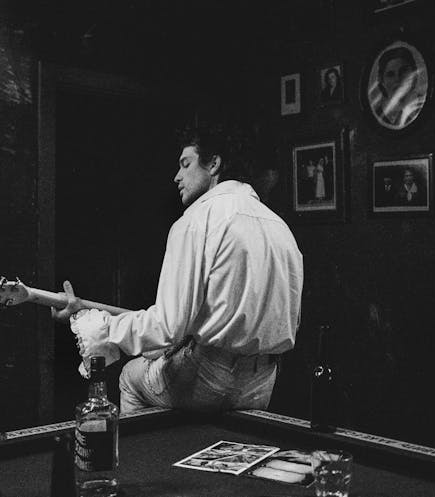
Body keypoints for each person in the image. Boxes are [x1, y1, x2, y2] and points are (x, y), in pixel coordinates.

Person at [52, 125, 304, 414]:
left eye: (186, 164)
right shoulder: (279, 226)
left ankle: (142, 460)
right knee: (160, 358)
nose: (177, 176)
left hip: (210, 377)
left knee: (130, 378)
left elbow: (166, 327)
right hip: (263, 382)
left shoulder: (196, 221)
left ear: (213, 164)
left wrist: (95, 326)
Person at [371, 46, 425, 129]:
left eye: (404, 71)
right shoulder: (376, 117)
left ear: (415, 73)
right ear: (382, 80)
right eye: (390, 74)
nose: (398, 79)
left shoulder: (425, 107)